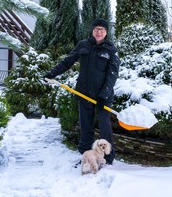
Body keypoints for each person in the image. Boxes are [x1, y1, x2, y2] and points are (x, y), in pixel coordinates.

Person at [44, 18, 120, 165]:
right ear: (92, 30)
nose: (99, 32)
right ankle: (86, 156)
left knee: (105, 127)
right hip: (84, 93)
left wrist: (103, 95)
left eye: (102, 29)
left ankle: (108, 158)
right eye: (96, 29)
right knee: (86, 126)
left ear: (106, 32)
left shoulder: (111, 50)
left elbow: (112, 74)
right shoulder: (83, 45)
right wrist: (52, 73)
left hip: (103, 96)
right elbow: (67, 61)